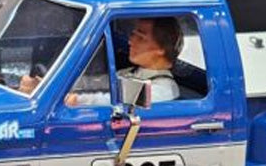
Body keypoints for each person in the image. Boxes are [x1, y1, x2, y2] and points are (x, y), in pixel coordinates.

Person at [18, 17, 183, 105]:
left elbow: (109, 100)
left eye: (140, 37)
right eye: (133, 35)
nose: (130, 41)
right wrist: (49, 84)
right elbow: (94, 83)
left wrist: (75, 100)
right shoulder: (129, 72)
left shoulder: (164, 90)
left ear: (161, 48)